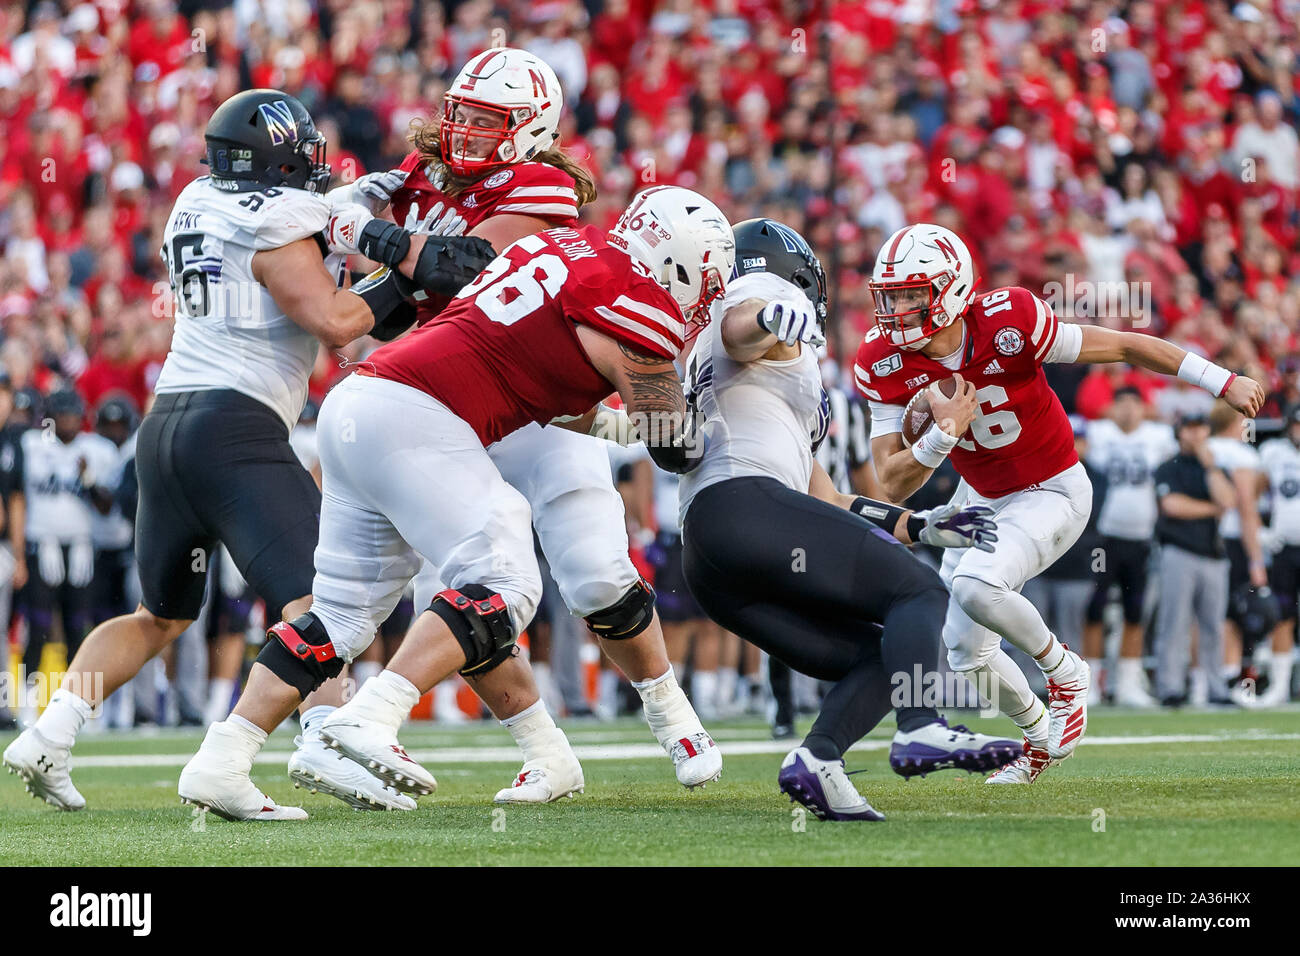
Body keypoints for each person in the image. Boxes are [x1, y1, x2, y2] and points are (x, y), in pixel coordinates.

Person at [4, 89, 495, 815]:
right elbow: (333, 323)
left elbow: (310, 219)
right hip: (235, 428)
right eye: (299, 160)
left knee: (160, 615)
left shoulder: (197, 199)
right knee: (324, 598)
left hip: (166, 426)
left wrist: (360, 207)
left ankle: (49, 731)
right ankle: (321, 741)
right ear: (272, 162)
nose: (310, 171)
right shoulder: (277, 219)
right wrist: (402, 278)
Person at [176, 185, 735, 821]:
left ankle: (222, 757)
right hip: (415, 415)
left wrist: (620, 425)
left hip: (361, 403)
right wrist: (716, 419)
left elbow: (561, 391)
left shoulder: (561, 247)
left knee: (339, 616)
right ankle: (375, 714)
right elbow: (674, 446)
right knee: (504, 575)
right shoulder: (634, 297)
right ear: (681, 266)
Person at [346, 49, 719, 802]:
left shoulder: (538, 190)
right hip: (450, 401)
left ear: (530, 132)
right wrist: (356, 238)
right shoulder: (418, 186)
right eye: (463, 113)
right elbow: (389, 315)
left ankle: (674, 714)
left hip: (536, 411)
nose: (466, 131)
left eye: (488, 121)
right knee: (466, 586)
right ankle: (545, 751)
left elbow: (464, 269)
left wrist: (369, 233)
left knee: (595, 572)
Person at [855, 223, 1264, 783]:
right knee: (963, 651)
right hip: (983, 497)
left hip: (1052, 487)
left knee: (977, 587)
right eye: (890, 296)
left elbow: (1125, 345)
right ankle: (1037, 740)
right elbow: (891, 481)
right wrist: (939, 438)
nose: (896, 310)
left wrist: (1220, 380)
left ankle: (1065, 670)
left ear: (949, 290)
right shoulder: (881, 359)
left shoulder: (1011, 319)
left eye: (910, 295)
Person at [680, 218, 1018, 822]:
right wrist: (767, 318)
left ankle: (821, 759)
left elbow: (829, 500)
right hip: (748, 506)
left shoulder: (724, 356)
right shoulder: (761, 306)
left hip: (716, 551)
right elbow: (741, 324)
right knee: (918, 590)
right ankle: (923, 728)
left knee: (886, 653)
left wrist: (919, 526)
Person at [1082, 386, 1174, 706]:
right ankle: (1089, 683)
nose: (1128, 410)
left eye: (1135, 403)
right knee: (1094, 606)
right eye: (1121, 403)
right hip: (1103, 538)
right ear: (1111, 407)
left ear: (1144, 408)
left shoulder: (1158, 437)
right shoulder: (1098, 433)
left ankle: (1128, 684)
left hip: (1142, 538)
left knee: (1135, 611)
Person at [1151, 414, 1237, 705]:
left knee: (1214, 625)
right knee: (1175, 623)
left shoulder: (1215, 467)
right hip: (1178, 551)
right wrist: (1213, 508)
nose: (1196, 434)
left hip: (1213, 555)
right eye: (1190, 428)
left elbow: (1227, 500)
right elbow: (1172, 506)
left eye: (1200, 428)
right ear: (1179, 433)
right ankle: (1170, 688)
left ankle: (1216, 688)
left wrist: (1210, 465)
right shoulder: (1167, 467)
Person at [1251, 407, 1300, 705]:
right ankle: (1280, 686)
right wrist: (1262, 531)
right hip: (1284, 548)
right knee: (1283, 616)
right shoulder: (1274, 453)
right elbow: (1252, 495)